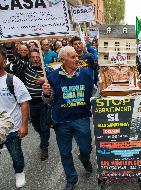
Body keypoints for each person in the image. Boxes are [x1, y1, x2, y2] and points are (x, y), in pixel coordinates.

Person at [42, 46, 94, 190]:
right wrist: (46, 94)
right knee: (65, 153)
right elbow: (49, 101)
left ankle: (84, 159)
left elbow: (94, 92)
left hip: (81, 118)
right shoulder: (52, 77)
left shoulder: (86, 74)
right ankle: (72, 179)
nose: (77, 59)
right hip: (61, 121)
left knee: (86, 148)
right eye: (73, 57)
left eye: (77, 56)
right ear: (63, 60)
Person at [0, 48, 31, 188]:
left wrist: (24, 125)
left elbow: (24, 102)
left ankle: (19, 173)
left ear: (4, 61)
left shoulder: (12, 80)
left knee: (16, 155)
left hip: (11, 127)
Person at [12, 48, 50, 160]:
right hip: (31, 103)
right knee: (36, 126)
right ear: (30, 58)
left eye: (37, 57)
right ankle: (43, 137)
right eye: (33, 57)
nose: (35, 59)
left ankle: (44, 146)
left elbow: (54, 81)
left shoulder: (46, 69)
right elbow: (14, 60)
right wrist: (9, 47)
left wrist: (44, 80)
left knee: (44, 127)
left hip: (44, 103)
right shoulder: (27, 67)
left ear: (41, 58)